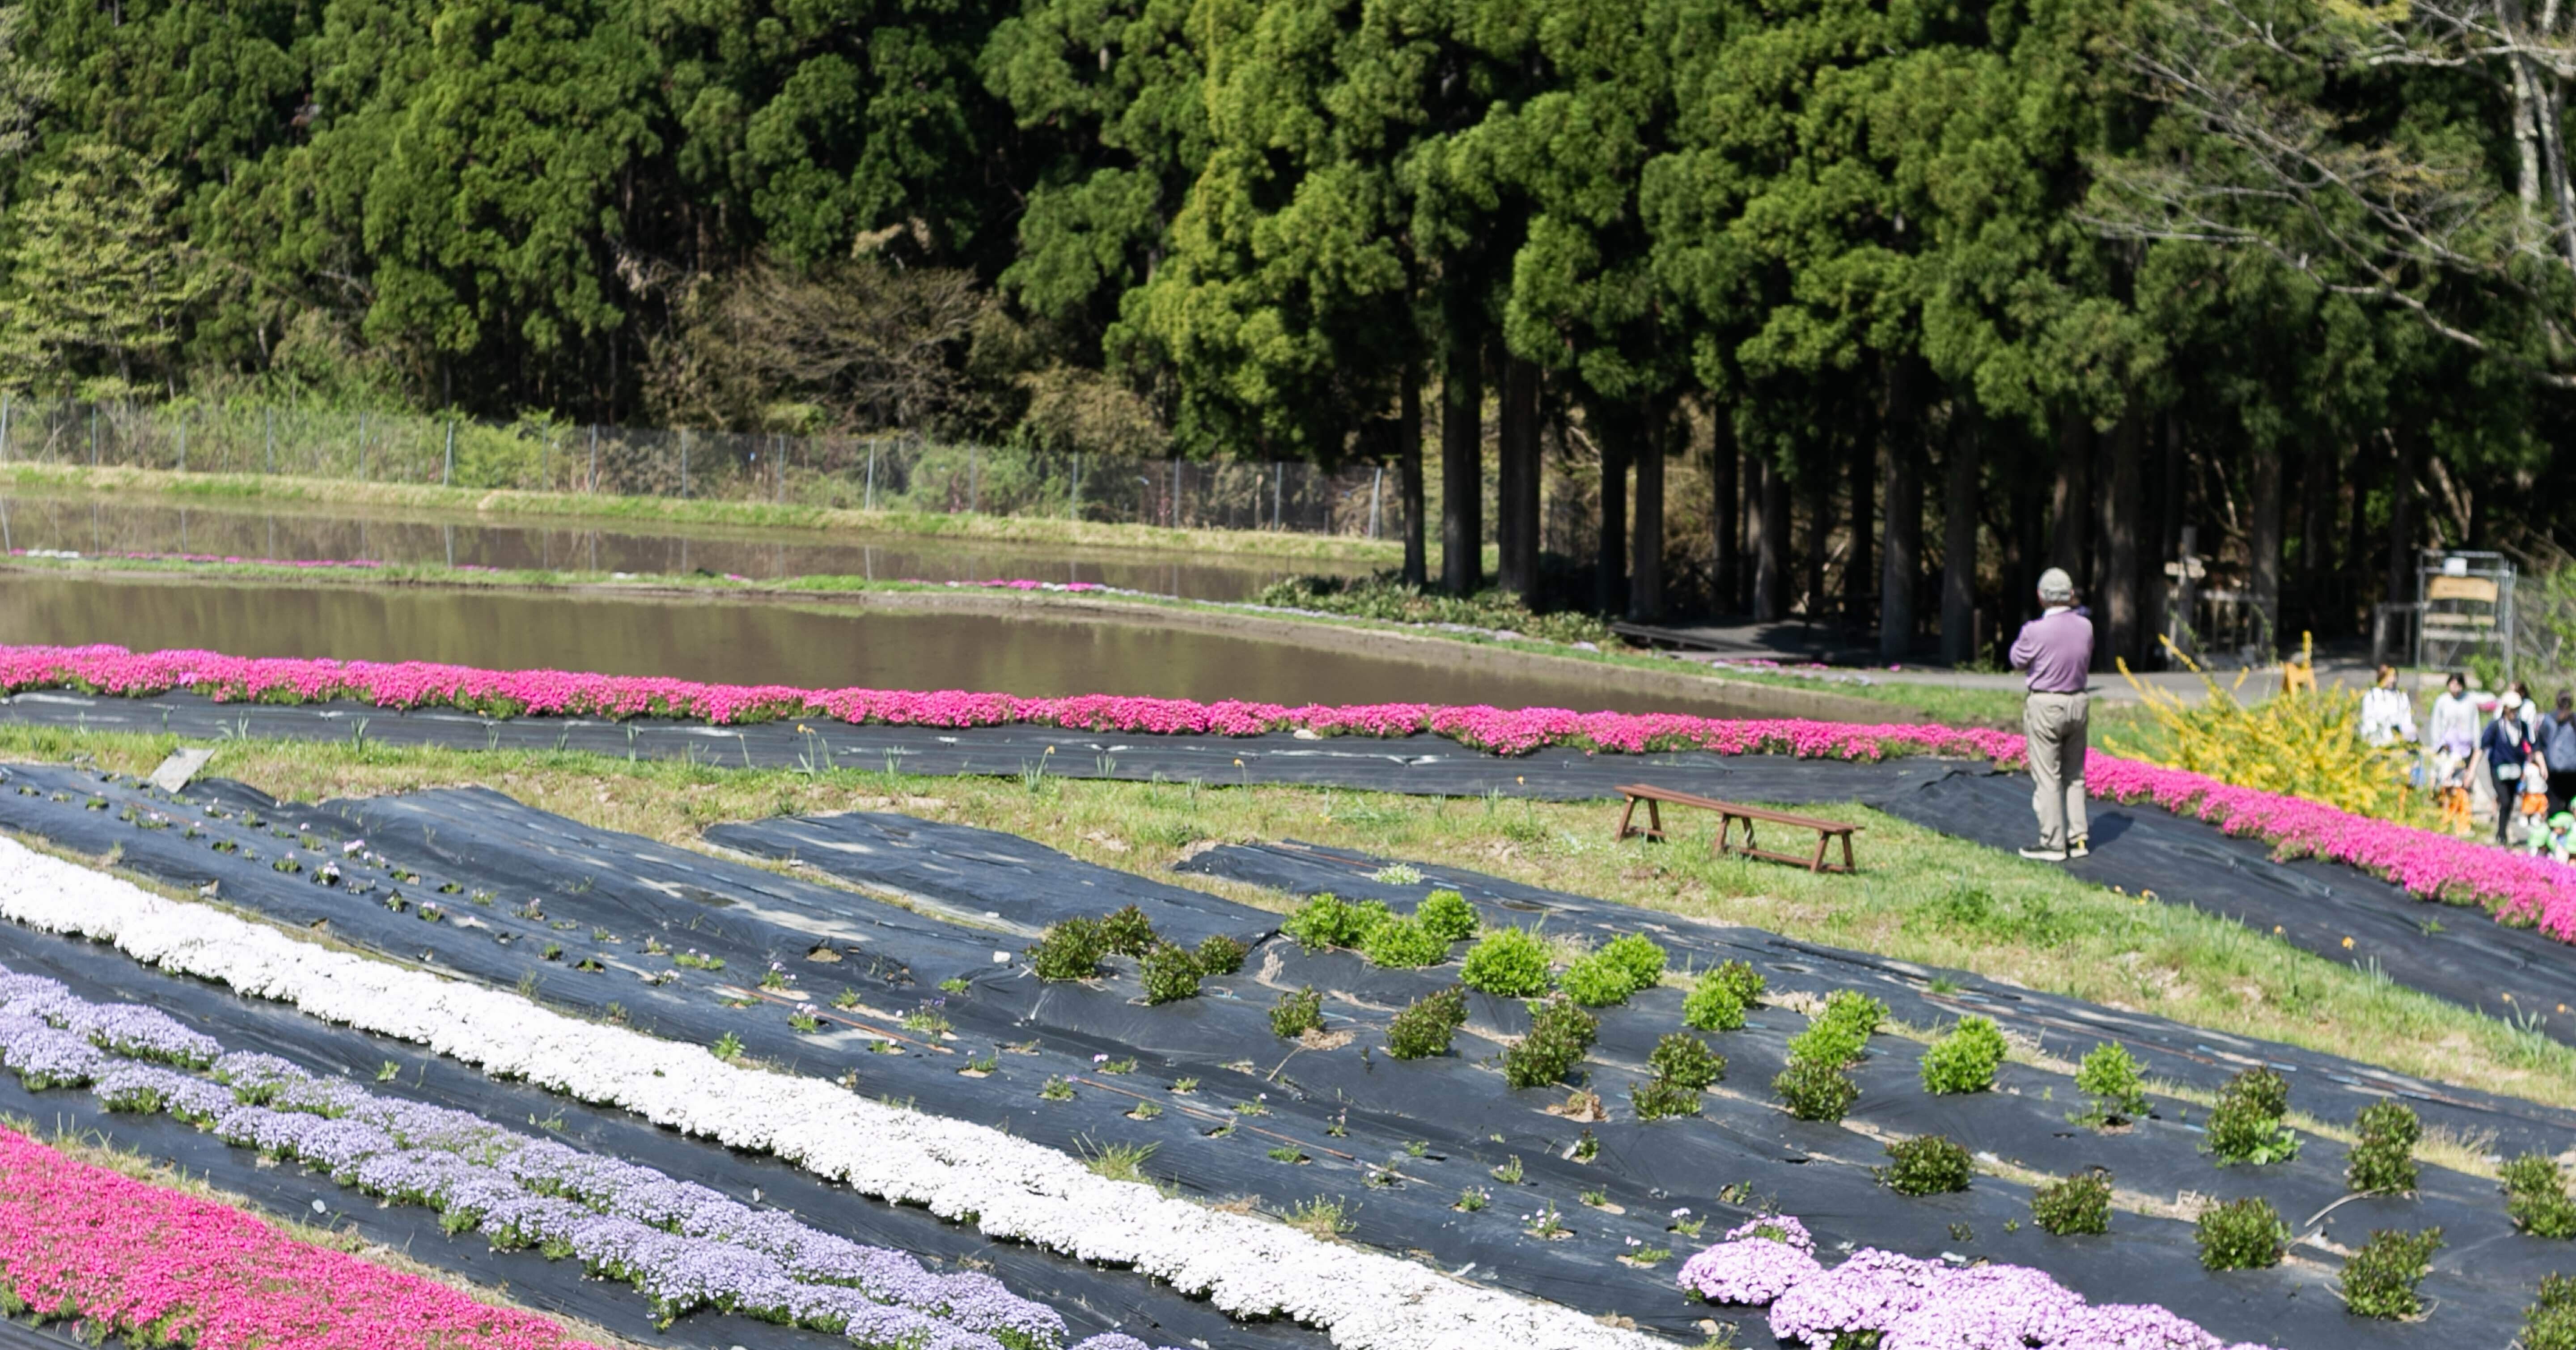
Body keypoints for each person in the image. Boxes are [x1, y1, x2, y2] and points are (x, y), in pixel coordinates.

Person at [2009, 567, 2093, 861]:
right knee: (2075, 774)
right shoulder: (2086, 626)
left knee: (2048, 776)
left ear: (2041, 597)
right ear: (2070, 595)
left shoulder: (2034, 630)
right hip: (2079, 702)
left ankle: (2053, 843)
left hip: (2046, 704)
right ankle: (2078, 839)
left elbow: (2017, 660)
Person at [2481, 689, 2537, 845]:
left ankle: (2502, 832)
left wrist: (2531, 762)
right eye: (2511, 709)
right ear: (2505, 708)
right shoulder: (2496, 726)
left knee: (2510, 803)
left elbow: (2530, 745)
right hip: (2498, 770)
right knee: (2505, 800)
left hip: (2516, 771)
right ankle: (2501, 834)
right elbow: (2483, 745)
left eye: (2516, 709)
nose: (2514, 712)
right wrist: (2472, 769)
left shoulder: (2523, 726)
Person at [2428, 672, 2479, 763]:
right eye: (2453, 684)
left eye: (2459, 684)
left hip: (2465, 748)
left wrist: (2477, 746)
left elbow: (2475, 724)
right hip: (2446, 747)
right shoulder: (2442, 701)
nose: (2456, 687)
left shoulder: (2470, 701)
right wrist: (2436, 745)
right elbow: (2436, 724)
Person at [2359, 666, 2416, 747]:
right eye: (2388, 677)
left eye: (2394, 677)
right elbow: (2367, 720)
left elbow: (2407, 719)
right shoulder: (2372, 696)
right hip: (2377, 742)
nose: (2392, 680)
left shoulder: (2402, 697)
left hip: (2397, 742)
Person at [2542, 691, 2576, 815]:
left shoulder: (2548, 720)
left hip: (2554, 771)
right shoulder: (2574, 720)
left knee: (2554, 804)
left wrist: (2542, 766)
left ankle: (2555, 825)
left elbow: (2540, 745)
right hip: (2572, 771)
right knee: (2571, 805)